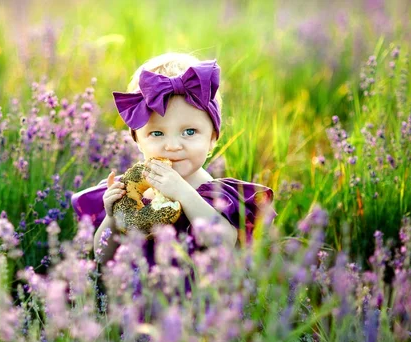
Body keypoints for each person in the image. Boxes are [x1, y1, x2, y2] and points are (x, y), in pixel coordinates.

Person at [71, 52, 276, 267]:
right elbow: (102, 256)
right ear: (138, 141)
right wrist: (112, 219)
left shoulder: (215, 194)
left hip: (196, 297)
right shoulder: (127, 192)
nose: (173, 145)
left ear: (212, 139)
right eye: (157, 134)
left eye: (189, 132)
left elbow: (223, 241)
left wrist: (183, 193)